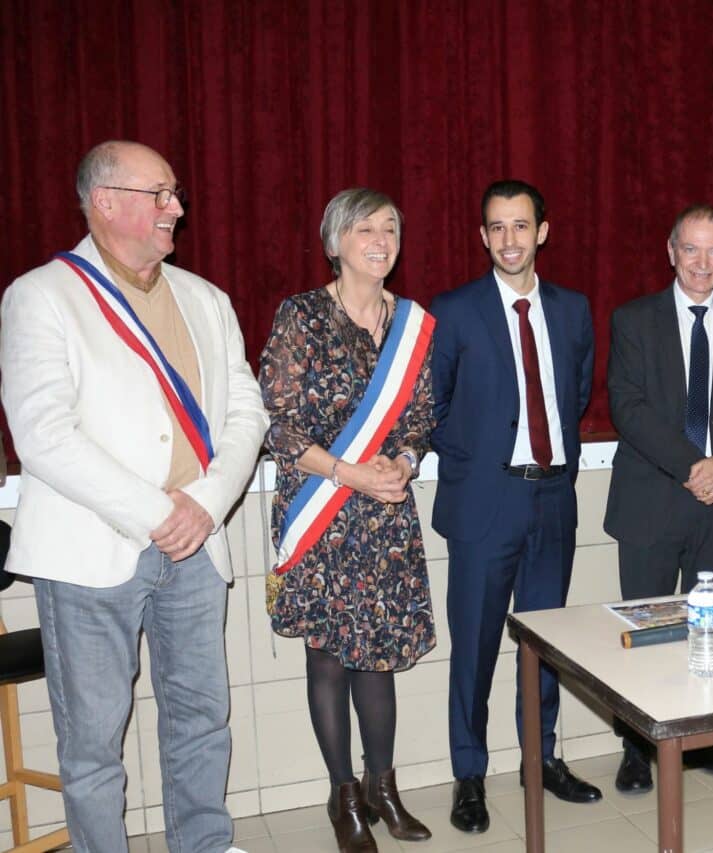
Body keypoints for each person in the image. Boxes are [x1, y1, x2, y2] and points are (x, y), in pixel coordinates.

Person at [0, 140, 268, 853]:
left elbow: (248, 411)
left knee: (201, 718)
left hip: (197, 546)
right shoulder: (40, 296)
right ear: (106, 200)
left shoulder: (206, 299)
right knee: (92, 743)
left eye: (174, 193)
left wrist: (206, 502)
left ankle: (204, 846)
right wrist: (159, 513)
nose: (176, 207)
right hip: (95, 550)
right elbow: (42, 434)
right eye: (160, 193)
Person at [260, 189, 435, 850]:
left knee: (379, 654)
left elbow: (419, 412)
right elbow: (276, 423)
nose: (380, 238)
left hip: (384, 513)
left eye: (390, 227)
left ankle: (382, 787)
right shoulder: (301, 316)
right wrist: (350, 472)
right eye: (365, 228)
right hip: (320, 510)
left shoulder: (412, 322)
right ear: (334, 242)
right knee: (331, 655)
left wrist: (406, 461)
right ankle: (344, 799)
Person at [430, 180, 599, 833]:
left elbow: (575, 392)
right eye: (496, 228)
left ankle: (541, 759)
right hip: (484, 503)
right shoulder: (454, 310)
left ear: (542, 232)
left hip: (553, 498)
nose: (509, 239)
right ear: (482, 236)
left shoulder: (571, 308)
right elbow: (433, 406)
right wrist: (475, 462)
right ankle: (468, 775)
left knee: (545, 642)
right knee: (473, 646)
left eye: (520, 226)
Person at [604, 204, 713, 793]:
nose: (702, 263)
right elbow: (628, 407)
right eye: (691, 250)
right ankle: (636, 745)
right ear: (671, 252)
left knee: (709, 629)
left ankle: (699, 736)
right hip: (654, 498)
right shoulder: (633, 320)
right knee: (647, 629)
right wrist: (693, 467)